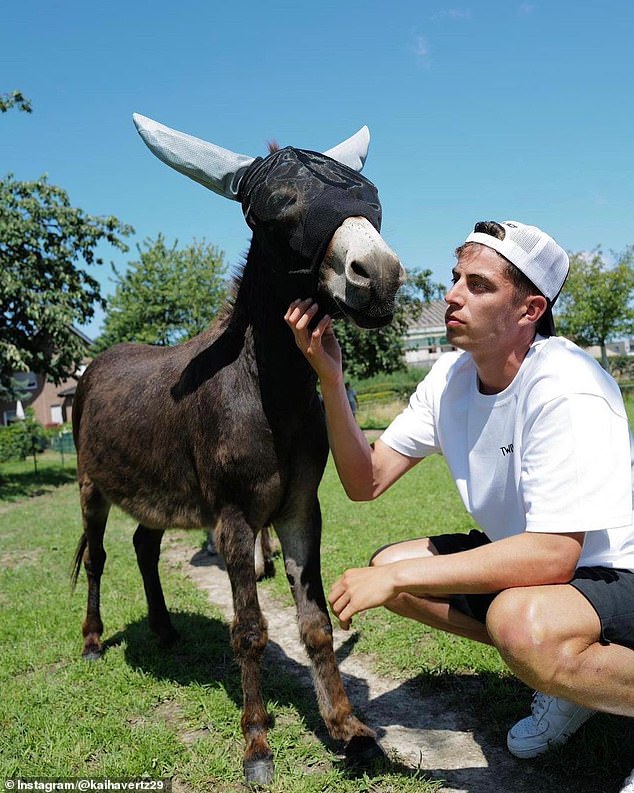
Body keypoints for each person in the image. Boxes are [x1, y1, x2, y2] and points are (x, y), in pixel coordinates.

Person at [285, 220, 634, 790]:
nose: (451, 295)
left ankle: (571, 667)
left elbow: (552, 557)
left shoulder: (566, 385)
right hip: (556, 573)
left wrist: (400, 580)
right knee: (391, 566)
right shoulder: (450, 377)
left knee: (520, 623)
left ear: (529, 310)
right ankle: (572, 683)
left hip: (621, 568)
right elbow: (365, 480)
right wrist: (331, 380)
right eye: (455, 278)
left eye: (478, 284)